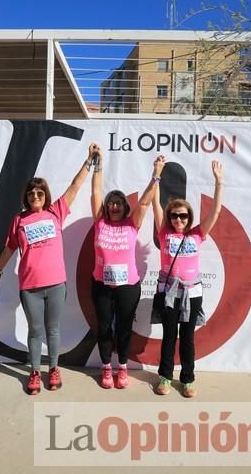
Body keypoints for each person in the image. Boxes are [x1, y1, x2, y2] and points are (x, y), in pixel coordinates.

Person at [0, 144, 96, 395]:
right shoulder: (19, 220)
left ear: (46, 195)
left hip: (57, 284)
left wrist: (89, 160)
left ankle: (54, 369)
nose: (35, 196)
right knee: (36, 331)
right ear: (26, 197)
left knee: (54, 330)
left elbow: (75, 186)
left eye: (39, 192)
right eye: (31, 193)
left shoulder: (55, 212)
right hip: (30, 287)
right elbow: (9, 248)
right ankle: (35, 372)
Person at [90, 144, 165, 389]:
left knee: (123, 327)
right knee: (103, 327)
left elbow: (144, 203)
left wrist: (156, 175)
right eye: (111, 203)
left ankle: (121, 367)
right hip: (101, 284)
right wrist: (97, 163)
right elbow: (96, 191)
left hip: (128, 286)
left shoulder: (131, 225)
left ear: (124, 207)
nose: (114, 206)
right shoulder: (100, 223)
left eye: (119, 203)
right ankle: (105, 368)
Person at [152, 160, 223, 397]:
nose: (178, 220)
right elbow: (155, 204)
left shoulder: (197, 234)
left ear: (188, 217)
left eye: (183, 216)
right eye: (174, 216)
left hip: (192, 293)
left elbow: (216, 212)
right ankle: (164, 377)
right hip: (170, 292)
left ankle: (188, 379)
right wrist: (157, 175)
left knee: (188, 338)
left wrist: (219, 183)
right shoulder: (164, 233)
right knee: (169, 336)